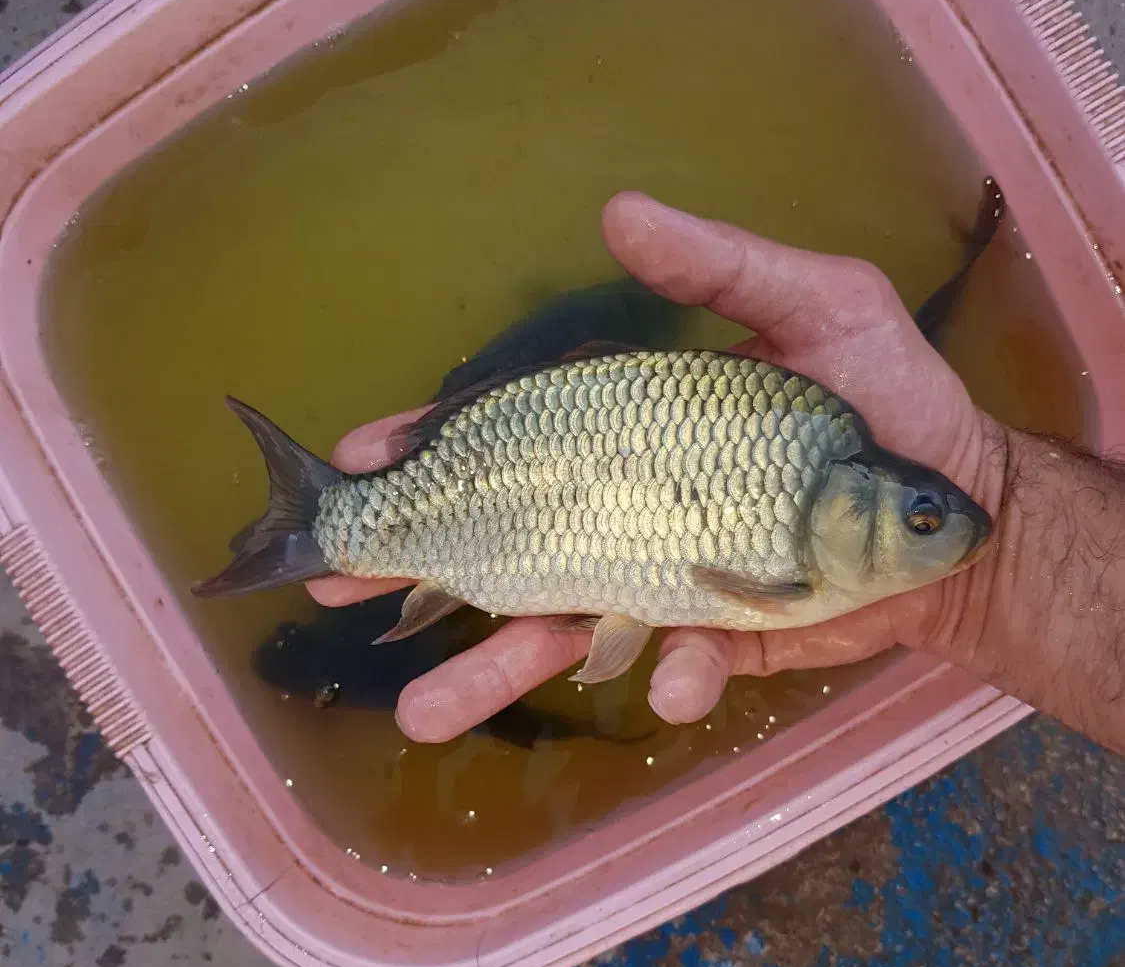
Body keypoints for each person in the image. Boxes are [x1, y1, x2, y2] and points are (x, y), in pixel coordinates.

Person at [307, 193, 1125, 760]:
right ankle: (325, 527)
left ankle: (328, 528)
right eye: (921, 519)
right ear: (854, 491)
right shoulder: (812, 496)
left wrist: (1008, 550)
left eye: (922, 520)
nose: (946, 529)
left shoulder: (825, 444)